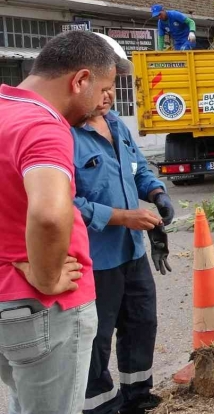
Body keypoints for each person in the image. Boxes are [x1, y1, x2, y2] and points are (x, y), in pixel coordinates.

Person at [0, 30, 129, 414]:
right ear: (80, 80)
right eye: (103, 87)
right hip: (43, 308)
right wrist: (45, 274)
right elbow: (49, 214)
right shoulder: (43, 126)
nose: (102, 101)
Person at [73, 37, 175, 414]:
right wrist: (120, 217)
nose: (110, 96)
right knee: (96, 337)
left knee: (141, 322)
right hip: (94, 259)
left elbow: (138, 170)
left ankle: (137, 395)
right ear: (80, 82)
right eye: (104, 87)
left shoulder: (116, 125)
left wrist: (156, 193)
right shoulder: (63, 135)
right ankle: (100, 405)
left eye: (113, 87)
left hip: (131, 251)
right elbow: (64, 204)